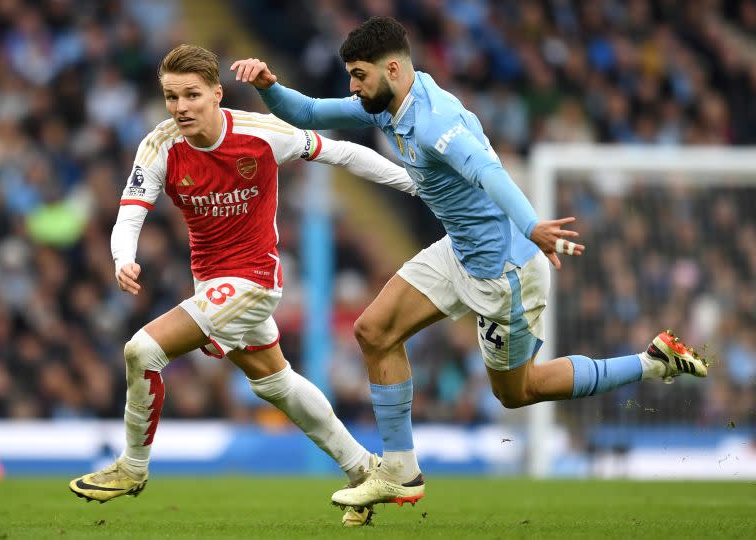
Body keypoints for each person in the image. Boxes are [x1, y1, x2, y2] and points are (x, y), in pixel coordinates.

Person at [231, 16, 709, 509]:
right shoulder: (388, 104)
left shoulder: (438, 121)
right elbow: (307, 111)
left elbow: (489, 172)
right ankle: (400, 470)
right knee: (373, 331)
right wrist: (270, 86)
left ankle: (651, 363)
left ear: (391, 68)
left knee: (518, 391)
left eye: (358, 75)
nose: (353, 86)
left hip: (505, 272)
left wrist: (532, 226)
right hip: (457, 250)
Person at [68, 44, 419, 527]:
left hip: (254, 281)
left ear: (216, 94)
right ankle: (364, 469)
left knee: (141, 351)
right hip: (210, 284)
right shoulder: (160, 145)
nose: (181, 107)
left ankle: (132, 468)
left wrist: (413, 184)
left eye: (191, 95)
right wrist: (122, 258)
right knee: (276, 384)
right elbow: (129, 215)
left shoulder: (259, 134)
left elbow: (340, 153)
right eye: (171, 97)